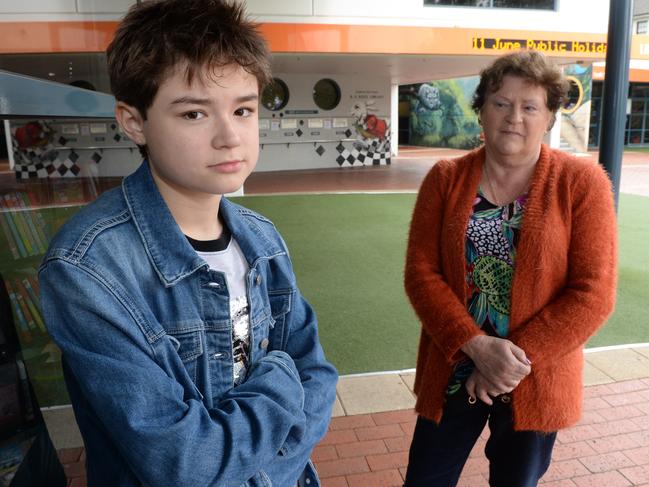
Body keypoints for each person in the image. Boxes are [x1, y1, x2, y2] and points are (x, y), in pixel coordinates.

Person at [38, 1, 338, 485]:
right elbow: (184, 463)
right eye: (195, 113)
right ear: (134, 121)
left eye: (243, 109)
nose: (230, 137)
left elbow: (320, 379)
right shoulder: (88, 268)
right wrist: (282, 378)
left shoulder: (262, 238)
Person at [403, 50, 617, 487]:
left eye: (529, 106)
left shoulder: (582, 184)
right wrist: (476, 348)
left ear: (550, 116)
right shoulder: (445, 179)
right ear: (481, 109)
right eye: (500, 103)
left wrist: (510, 362)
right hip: (455, 367)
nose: (513, 117)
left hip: (534, 375)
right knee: (425, 479)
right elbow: (422, 274)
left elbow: (592, 294)